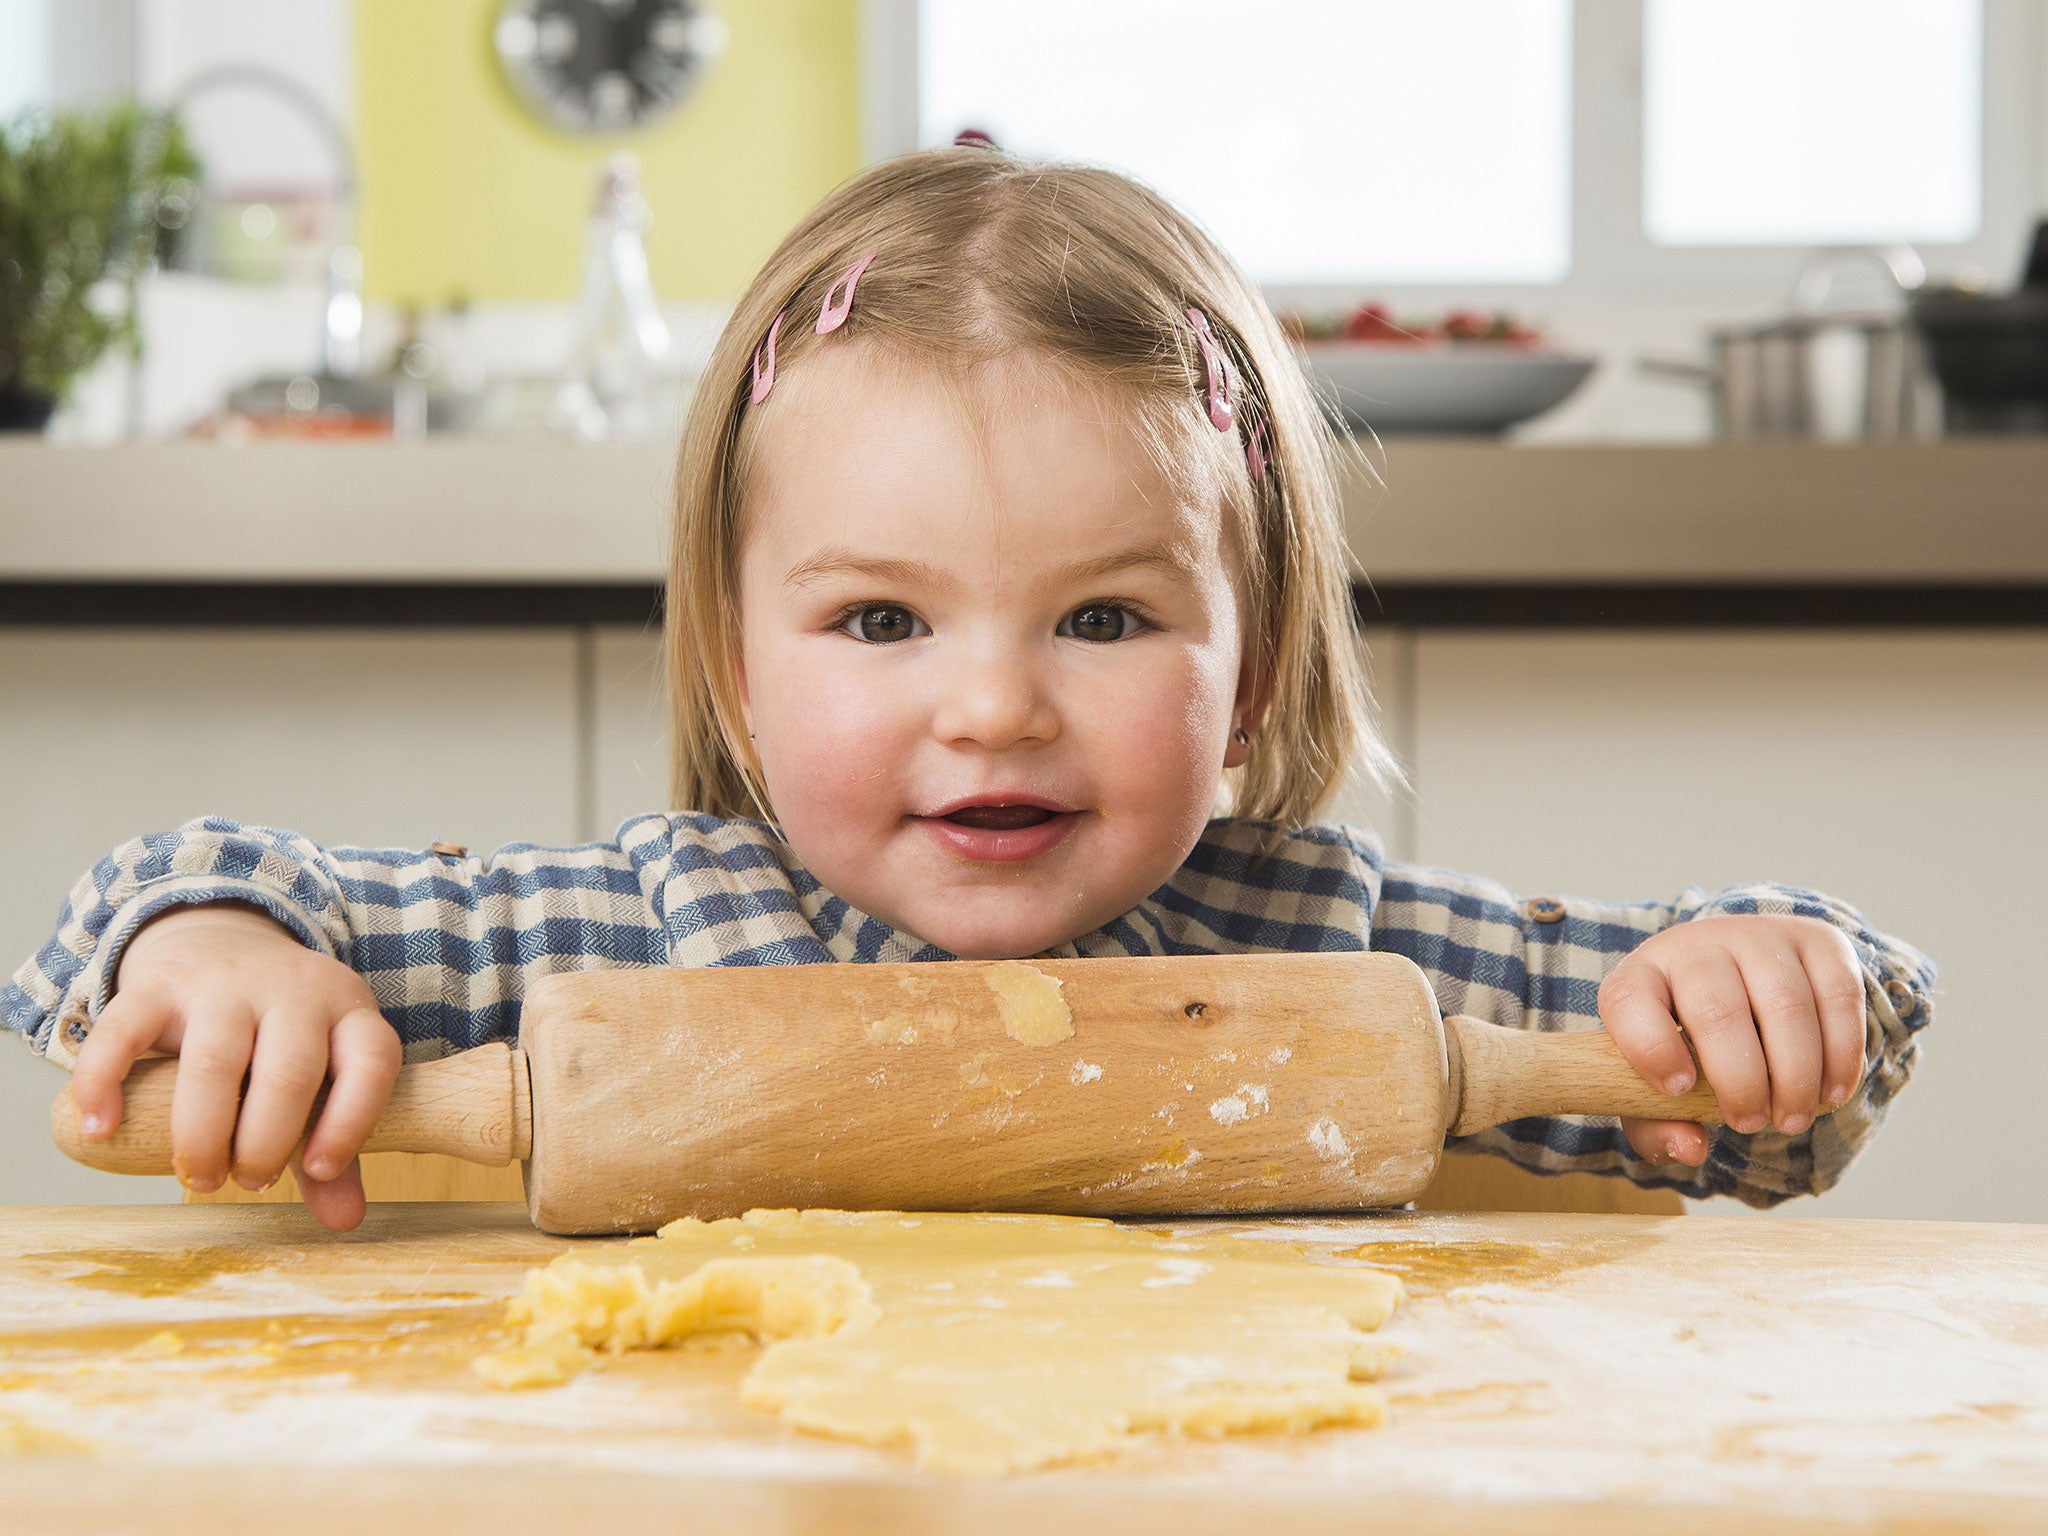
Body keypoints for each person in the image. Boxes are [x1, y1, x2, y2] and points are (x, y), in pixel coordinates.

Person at [4, 149, 1932, 1233]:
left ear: (1252, 667)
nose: (995, 709)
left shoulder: (1329, 960)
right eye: (879, 625)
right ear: (734, 673)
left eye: (1102, 622)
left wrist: (1770, 981)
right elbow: (162, 903)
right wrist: (217, 945)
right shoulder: (636, 941)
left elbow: (1765, 1108)